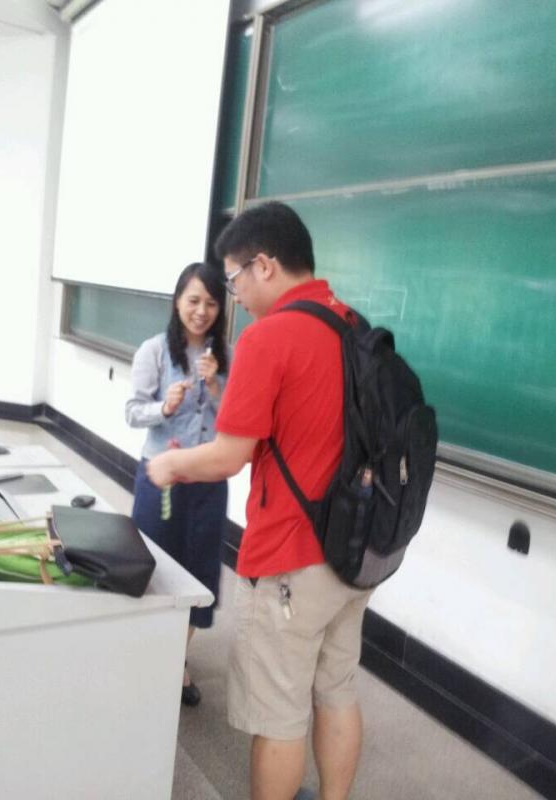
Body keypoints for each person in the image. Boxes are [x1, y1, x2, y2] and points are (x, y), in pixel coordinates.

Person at [146, 203, 373, 800]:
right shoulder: (354, 325)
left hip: (291, 559)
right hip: (357, 551)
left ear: (264, 265)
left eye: (233, 280)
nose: (236, 297)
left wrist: (169, 465)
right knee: (337, 690)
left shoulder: (268, 337)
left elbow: (229, 455)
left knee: (278, 716)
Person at [125, 261, 229, 707]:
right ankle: (143, 653)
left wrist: (217, 386)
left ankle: (176, 660)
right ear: (177, 302)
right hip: (161, 478)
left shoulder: (229, 357)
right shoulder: (153, 351)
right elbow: (131, 412)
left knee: (200, 572)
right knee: (151, 567)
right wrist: (163, 408)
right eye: (193, 301)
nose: (201, 311)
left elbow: (239, 422)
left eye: (211, 303)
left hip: (208, 481)